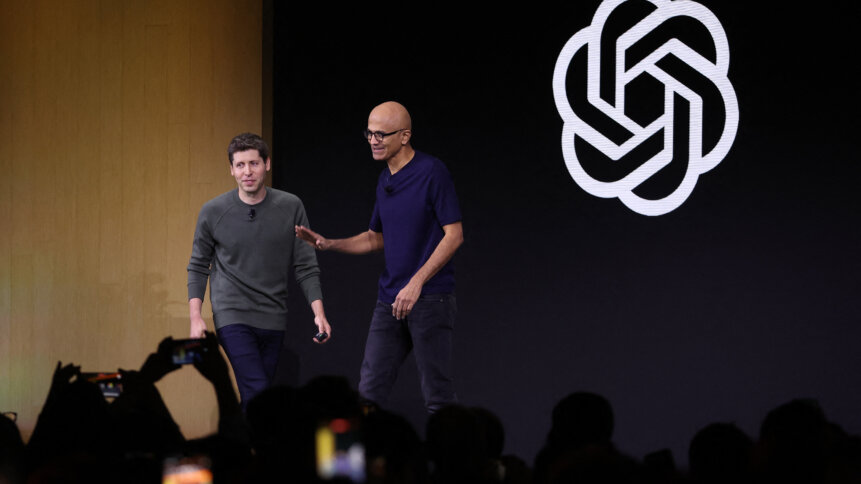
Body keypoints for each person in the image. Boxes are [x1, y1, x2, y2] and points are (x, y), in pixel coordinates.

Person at [296, 101, 463, 413]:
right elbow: (375, 238)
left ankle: (451, 461)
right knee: (368, 394)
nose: (373, 140)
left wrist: (416, 283)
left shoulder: (431, 172)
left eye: (381, 134)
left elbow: (454, 234)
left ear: (404, 136)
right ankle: (361, 461)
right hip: (390, 300)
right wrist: (328, 243)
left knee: (438, 397)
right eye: (369, 133)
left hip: (429, 299)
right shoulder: (384, 179)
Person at [187, 132, 331, 411]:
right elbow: (197, 265)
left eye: (253, 163)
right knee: (257, 390)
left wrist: (319, 312)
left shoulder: (290, 206)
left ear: (267, 164)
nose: (247, 172)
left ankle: (243, 449)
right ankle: (261, 452)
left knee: (258, 397)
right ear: (231, 169)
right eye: (240, 165)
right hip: (232, 314)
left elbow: (305, 264)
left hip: (273, 315)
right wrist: (196, 317)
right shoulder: (213, 211)